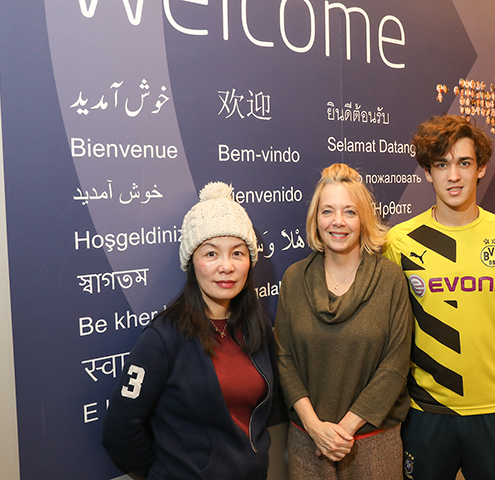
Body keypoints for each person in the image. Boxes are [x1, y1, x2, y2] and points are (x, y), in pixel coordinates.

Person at [383, 115, 495, 479]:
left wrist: (490, 376)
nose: (453, 176)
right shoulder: (398, 242)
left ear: (481, 168)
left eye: (464, 163)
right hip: (427, 413)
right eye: (442, 164)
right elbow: (391, 333)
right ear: (427, 171)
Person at [102, 182, 277, 480]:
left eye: (237, 253)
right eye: (211, 254)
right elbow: (120, 430)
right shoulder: (164, 337)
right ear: (191, 261)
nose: (226, 266)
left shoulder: (256, 325)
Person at [275, 163, 412, 479]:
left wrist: (344, 430)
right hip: (307, 442)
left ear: (363, 219)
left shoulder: (389, 278)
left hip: (374, 443)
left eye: (349, 212)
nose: (338, 221)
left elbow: (395, 365)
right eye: (328, 211)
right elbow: (284, 359)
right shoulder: (294, 279)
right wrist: (314, 427)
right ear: (316, 219)